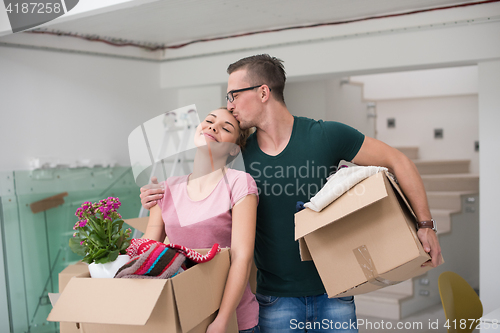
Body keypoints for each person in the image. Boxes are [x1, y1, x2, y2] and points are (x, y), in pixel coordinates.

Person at [141, 55, 442, 332]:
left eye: (234, 95)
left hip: (334, 292)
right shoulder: (239, 150)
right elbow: (202, 185)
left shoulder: (325, 135)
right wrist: (161, 196)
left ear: (262, 92)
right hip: (274, 300)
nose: (229, 104)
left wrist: (425, 224)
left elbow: (398, 161)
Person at [141, 107, 260, 333]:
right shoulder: (166, 189)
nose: (213, 127)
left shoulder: (240, 184)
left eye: (226, 128)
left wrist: (222, 320)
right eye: (209, 121)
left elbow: (242, 259)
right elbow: (148, 251)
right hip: (184, 314)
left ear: (234, 149)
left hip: (234, 320)